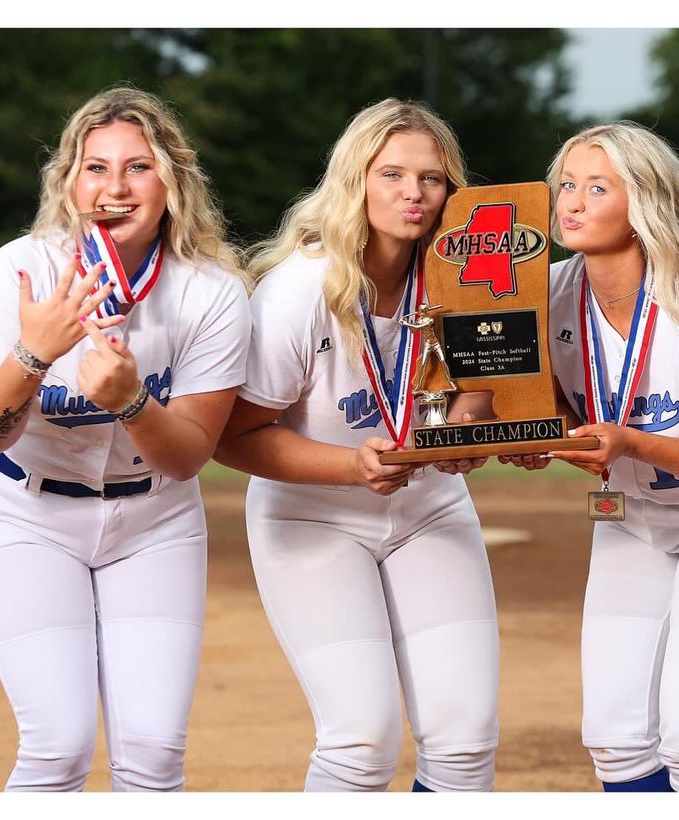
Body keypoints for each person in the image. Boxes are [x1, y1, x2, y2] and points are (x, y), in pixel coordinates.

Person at [0, 86, 251, 791]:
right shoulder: (22, 268)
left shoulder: (211, 292)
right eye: (95, 167)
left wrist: (132, 401)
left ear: (172, 181)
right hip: (25, 515)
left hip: (155, 521)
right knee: (57, 745)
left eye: (138, 167)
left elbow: (190, 455)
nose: (115, 187)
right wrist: (32, 354)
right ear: (69, 182)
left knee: (153, 751)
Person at [213, 98, 498, 792]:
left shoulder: (466, 277)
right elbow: (233, 437)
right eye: (392, 174)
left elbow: (487, 386)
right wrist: (350, 465)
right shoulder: (297, 293)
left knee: (464, 740)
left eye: (432, 179)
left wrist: (462, 427)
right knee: (362, 741)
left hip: (429, 506)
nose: (414, 194)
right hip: (313, 515)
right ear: (355, 181)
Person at [505, 122, 679, 792]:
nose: (571, 202)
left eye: (597, 187)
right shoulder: (542, 292)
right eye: (566, 186)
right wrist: (539, 437)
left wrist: (628, 440)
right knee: (615, 738)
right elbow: (556, 414)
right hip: (633, 515)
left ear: (645, 203)